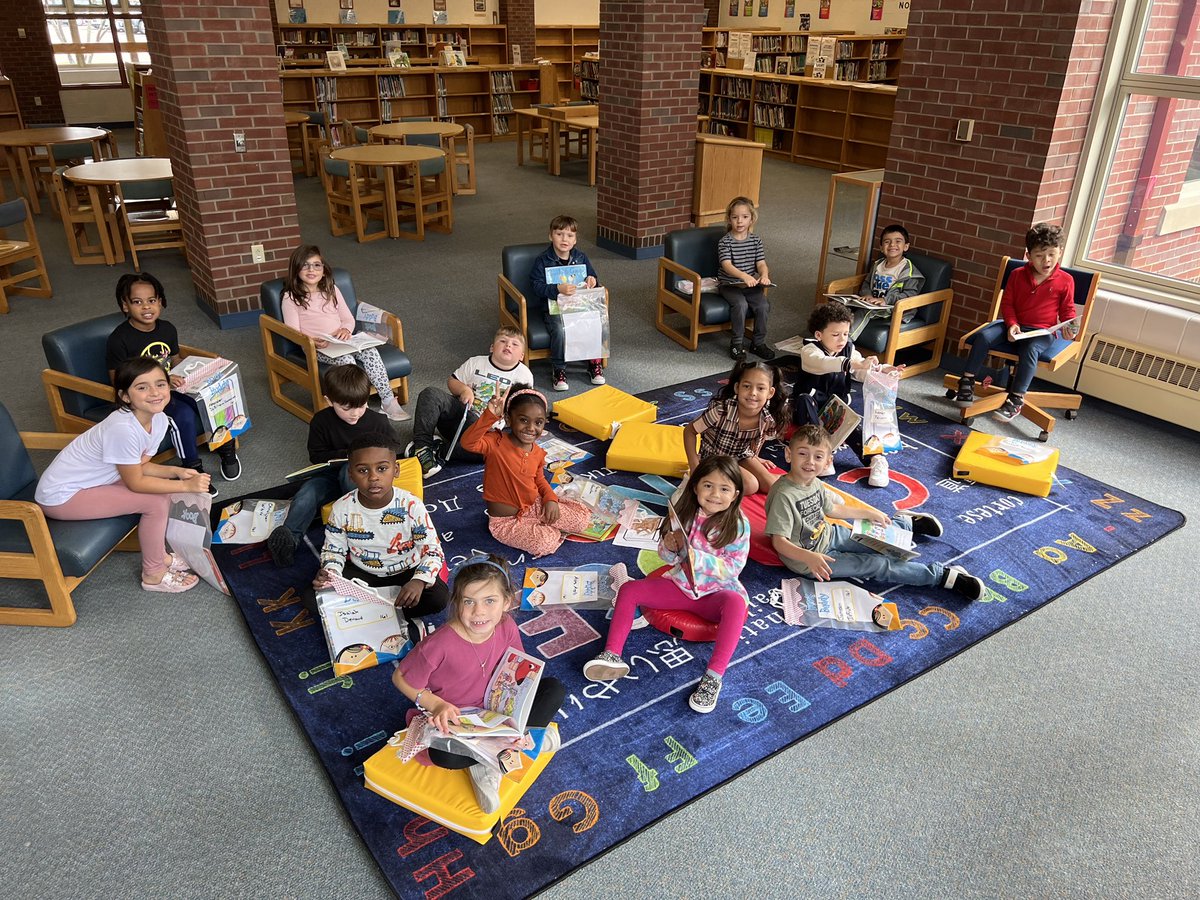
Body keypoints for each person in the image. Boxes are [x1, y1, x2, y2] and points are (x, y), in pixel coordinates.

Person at [392, 554, 565, 814]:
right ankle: (503, 755)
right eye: (469, 602)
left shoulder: (506, 624)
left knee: (554, 689)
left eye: (490, 601)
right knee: (444, 755)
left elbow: (517, 665)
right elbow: (400, 678)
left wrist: (520, 697)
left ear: (507, 602)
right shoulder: (438, 644)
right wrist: (435, 704)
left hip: (496, 708)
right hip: (458, 718)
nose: (479, 612)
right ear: (457, 603)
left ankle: (506, 746)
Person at [583, 456, 750, 714]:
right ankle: (611, 654)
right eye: (708, 486)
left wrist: (699, 558)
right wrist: (669, 547)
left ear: (735, 494)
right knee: (629, 589)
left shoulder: (739, 525)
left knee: (737, 605)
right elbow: (669, 556)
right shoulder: (686, 514)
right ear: (695, 487)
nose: (715, 494)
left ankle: (713, 678)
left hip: (716, 594)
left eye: (724, 489)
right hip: (682, 586)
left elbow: (733, 568)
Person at [35, 358, 210, 593]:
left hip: (97, 481)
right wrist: (186, 487)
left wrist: (176, 472)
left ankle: (160, 556)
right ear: (125, 396)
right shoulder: (123, 429)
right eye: (142, 387)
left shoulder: (158, 419)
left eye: (160, 384)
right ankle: (154, 573)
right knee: (155, 500)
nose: (154, 393)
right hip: (62, 496)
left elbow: (139, 466)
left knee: (164, 490)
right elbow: (136, 482)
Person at [765, 425, 984, 600]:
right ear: (788, 454)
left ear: (828, 460)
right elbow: (779, 542)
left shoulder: (814, 483)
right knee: (877, 564)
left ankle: (905, 524)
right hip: (810, 559)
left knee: (881, 539)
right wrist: (808, 557)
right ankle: (943, 577)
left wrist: (867, 513)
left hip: (829, 534)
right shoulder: (784, 495)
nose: (810, 462)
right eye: (803, 454)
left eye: (818, 456)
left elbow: (832, 509)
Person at [105, 271, 241, 496]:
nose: (146, 307)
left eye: (152, 300)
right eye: (137, 302)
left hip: (174, 385)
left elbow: (174, 360)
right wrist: (161, 383)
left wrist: (196, 372)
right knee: (184, 414)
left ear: (160, 302)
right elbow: (117, 379)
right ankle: (192, 467)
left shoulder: (167, 328)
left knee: (216, 392)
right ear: (125, 306)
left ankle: (225, 445)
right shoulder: (119, 339)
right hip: (149, 397)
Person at [314, 434, 449, 627]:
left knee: (439, 598)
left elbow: (433, 550)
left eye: (382, 468)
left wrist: (419, 581)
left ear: (396, 470)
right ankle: (385, 614)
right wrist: (330, 572)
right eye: (362, 470)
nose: (373, 477)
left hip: (406, 572)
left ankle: (366, 614)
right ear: (350, 474)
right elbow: (333, 551)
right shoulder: (341, 508)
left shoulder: (412, 506)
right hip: (364, 574)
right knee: (314, 598)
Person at [267, 365, 392, 567]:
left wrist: (368, 457)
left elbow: (393, 446)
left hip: (365, 480)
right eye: (346, 408)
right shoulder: (321, 422)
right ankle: (289, 538)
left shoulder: (377, 421)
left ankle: (365, 531)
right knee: (307, 493)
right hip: (330, 476)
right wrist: (345, 455)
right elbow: (316, 455)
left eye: (361, 405)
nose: (355, 413)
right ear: (329, 401)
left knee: (348, 472)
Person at [954, 223, 1077, 422]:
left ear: (1060, 252)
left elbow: (1067, 310)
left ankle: (1017, 398)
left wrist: (1070, 328)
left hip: (1041, 333)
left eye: (1052, 255)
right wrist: (1012, 324)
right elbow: (1008, 303)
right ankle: (967, 380)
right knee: (983, 336)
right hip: (1014, 325)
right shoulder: (1017, 275)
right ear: (1028, 256)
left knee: (1030, 349)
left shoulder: (1066, 280)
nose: (1047, 261)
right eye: (1039, 255)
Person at [460, 384, 591, 557]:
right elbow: (467, 442)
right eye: (523, 420)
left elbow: (540, 480)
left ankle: (545, 520)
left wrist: (550, 500)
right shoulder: (495, 443)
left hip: (535, 506)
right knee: (545, 543)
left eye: (538, 422)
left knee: (581, 520)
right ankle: (545, 527)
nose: (531, 428)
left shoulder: (537, 452)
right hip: (506, 522)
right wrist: (489, 416)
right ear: (508, 418)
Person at [280, 244, 406, 421]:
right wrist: (311, 341)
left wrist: (346, 329)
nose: (311, 269)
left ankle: (387, 401)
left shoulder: (331, 289)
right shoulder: (291, 297)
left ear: (323, 270)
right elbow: (292, 331)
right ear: (296, 269)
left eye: (317, 265)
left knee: (371, 352)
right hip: (317, 347)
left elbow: (347, 318)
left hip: (342, 341)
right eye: (305, 265)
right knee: (346, 361)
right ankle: (361, 404)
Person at [791, 300, 901, 488]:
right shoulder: (809, 350)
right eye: (835, 335)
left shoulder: (849, 349)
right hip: (809, 409)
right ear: (819, 335)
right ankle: (822, 455)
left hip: (834, 409)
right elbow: (824, 363)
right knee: (804, 400)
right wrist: (854, 364)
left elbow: (862, 370)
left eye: (845, 334)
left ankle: (876, 459)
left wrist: (883, 370)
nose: (842, 340)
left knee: (854, 425)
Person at [405, 326, 532, 479]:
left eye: (515, 344)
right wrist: (464, 390)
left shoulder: (524, 375)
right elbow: (452, 381)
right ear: (492, 347)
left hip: (489, 432)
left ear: (522, 356)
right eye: (503, 341)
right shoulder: (476, 362)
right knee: (430, 393)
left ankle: (440, 450)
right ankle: (422, 446)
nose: (508, 346)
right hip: (462, 419)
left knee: (494, 452)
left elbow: (525, 409)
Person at [684, 360, 788, 496]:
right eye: (747, 386)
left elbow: (759, 440)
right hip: (715, 459)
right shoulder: (721, 411)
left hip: (741, 455)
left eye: (761, 388)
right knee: (751, 485)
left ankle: (789, 481)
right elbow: (689, 431)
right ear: (737, 388)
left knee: (772, 486)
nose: (753, 393)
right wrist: (694, 465)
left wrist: (756, 458)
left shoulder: (766, 419)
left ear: (770, 392)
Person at [527, 214, 606, 392]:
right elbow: (536, 287)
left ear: (575, 239)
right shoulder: (542, 260)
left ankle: (594, 363)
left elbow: (592, 277)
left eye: (570, 236)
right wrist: (556, 289)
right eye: (560, 234)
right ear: (550, 236)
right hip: (554, 308)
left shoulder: (581, 257)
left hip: (578, 305)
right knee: (560, 330)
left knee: (595, 322)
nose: (565, 239)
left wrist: (592, 280)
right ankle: (559, 369)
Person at [717, 196, 774, 362]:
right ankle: (736, 343)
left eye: (744, 217)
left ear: (752, 219)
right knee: (740, 305)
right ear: (729, 219)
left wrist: (764, 275)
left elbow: (761, 263)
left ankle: (758, 343)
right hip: (729, 285)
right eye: (735, 217)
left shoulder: (756, 240)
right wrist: (744, 276)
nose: (739, 221)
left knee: (763, 305)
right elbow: (726, 265)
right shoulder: (725, 241)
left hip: (750, 285)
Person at [848, 224, 926, 340]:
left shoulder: (908, 271)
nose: (892, 245)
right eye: (887, 242)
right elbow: (866, 283)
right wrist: (867, 294)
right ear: (881, 247)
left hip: (894, 308)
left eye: (898, 241)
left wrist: (885, 300)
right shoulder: (877, 265)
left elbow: (910, 295)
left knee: (865, 311)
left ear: (906, 246)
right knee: (841, 309)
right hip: (874, 305)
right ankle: (824, 340)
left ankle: (846, 342)